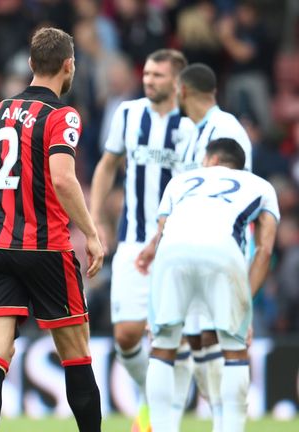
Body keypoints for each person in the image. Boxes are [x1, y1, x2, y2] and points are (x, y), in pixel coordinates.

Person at [0, 27, 103, 432]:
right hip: (46, 247)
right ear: (69, 66)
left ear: (30, 65)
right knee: (76, 356)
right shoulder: (62, 115)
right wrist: (93, 234)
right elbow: (63, 179)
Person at [135, 138, 278, 432]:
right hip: (223, 251)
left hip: (172, 252)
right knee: (234, 350)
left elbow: (162, 234)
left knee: (163, 347)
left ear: (210, 160)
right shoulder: (260, 185)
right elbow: (264, 250)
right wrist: (244, 305)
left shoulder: (180, 181)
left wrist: (155, 305)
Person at [89, 49, 192, 431]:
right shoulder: (128, 114)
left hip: (180, 243)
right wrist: (96, 219)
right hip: (134, 239)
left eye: (159, 75)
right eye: (147, 73)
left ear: (178, 82)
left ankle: (158, 416)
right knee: (126, 336)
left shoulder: (193, 122)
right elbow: (107, 166)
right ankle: (152, 398)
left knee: (170, 336)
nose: (149, 80)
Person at [175, 62, 254, 429]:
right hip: (193, 249)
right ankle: (222, 415)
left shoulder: (226, 130)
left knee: (219, 336)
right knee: (196, 338)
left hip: (221, 249)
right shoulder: (194, 132)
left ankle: (230, 418)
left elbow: (242, 195)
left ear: (184, 91)